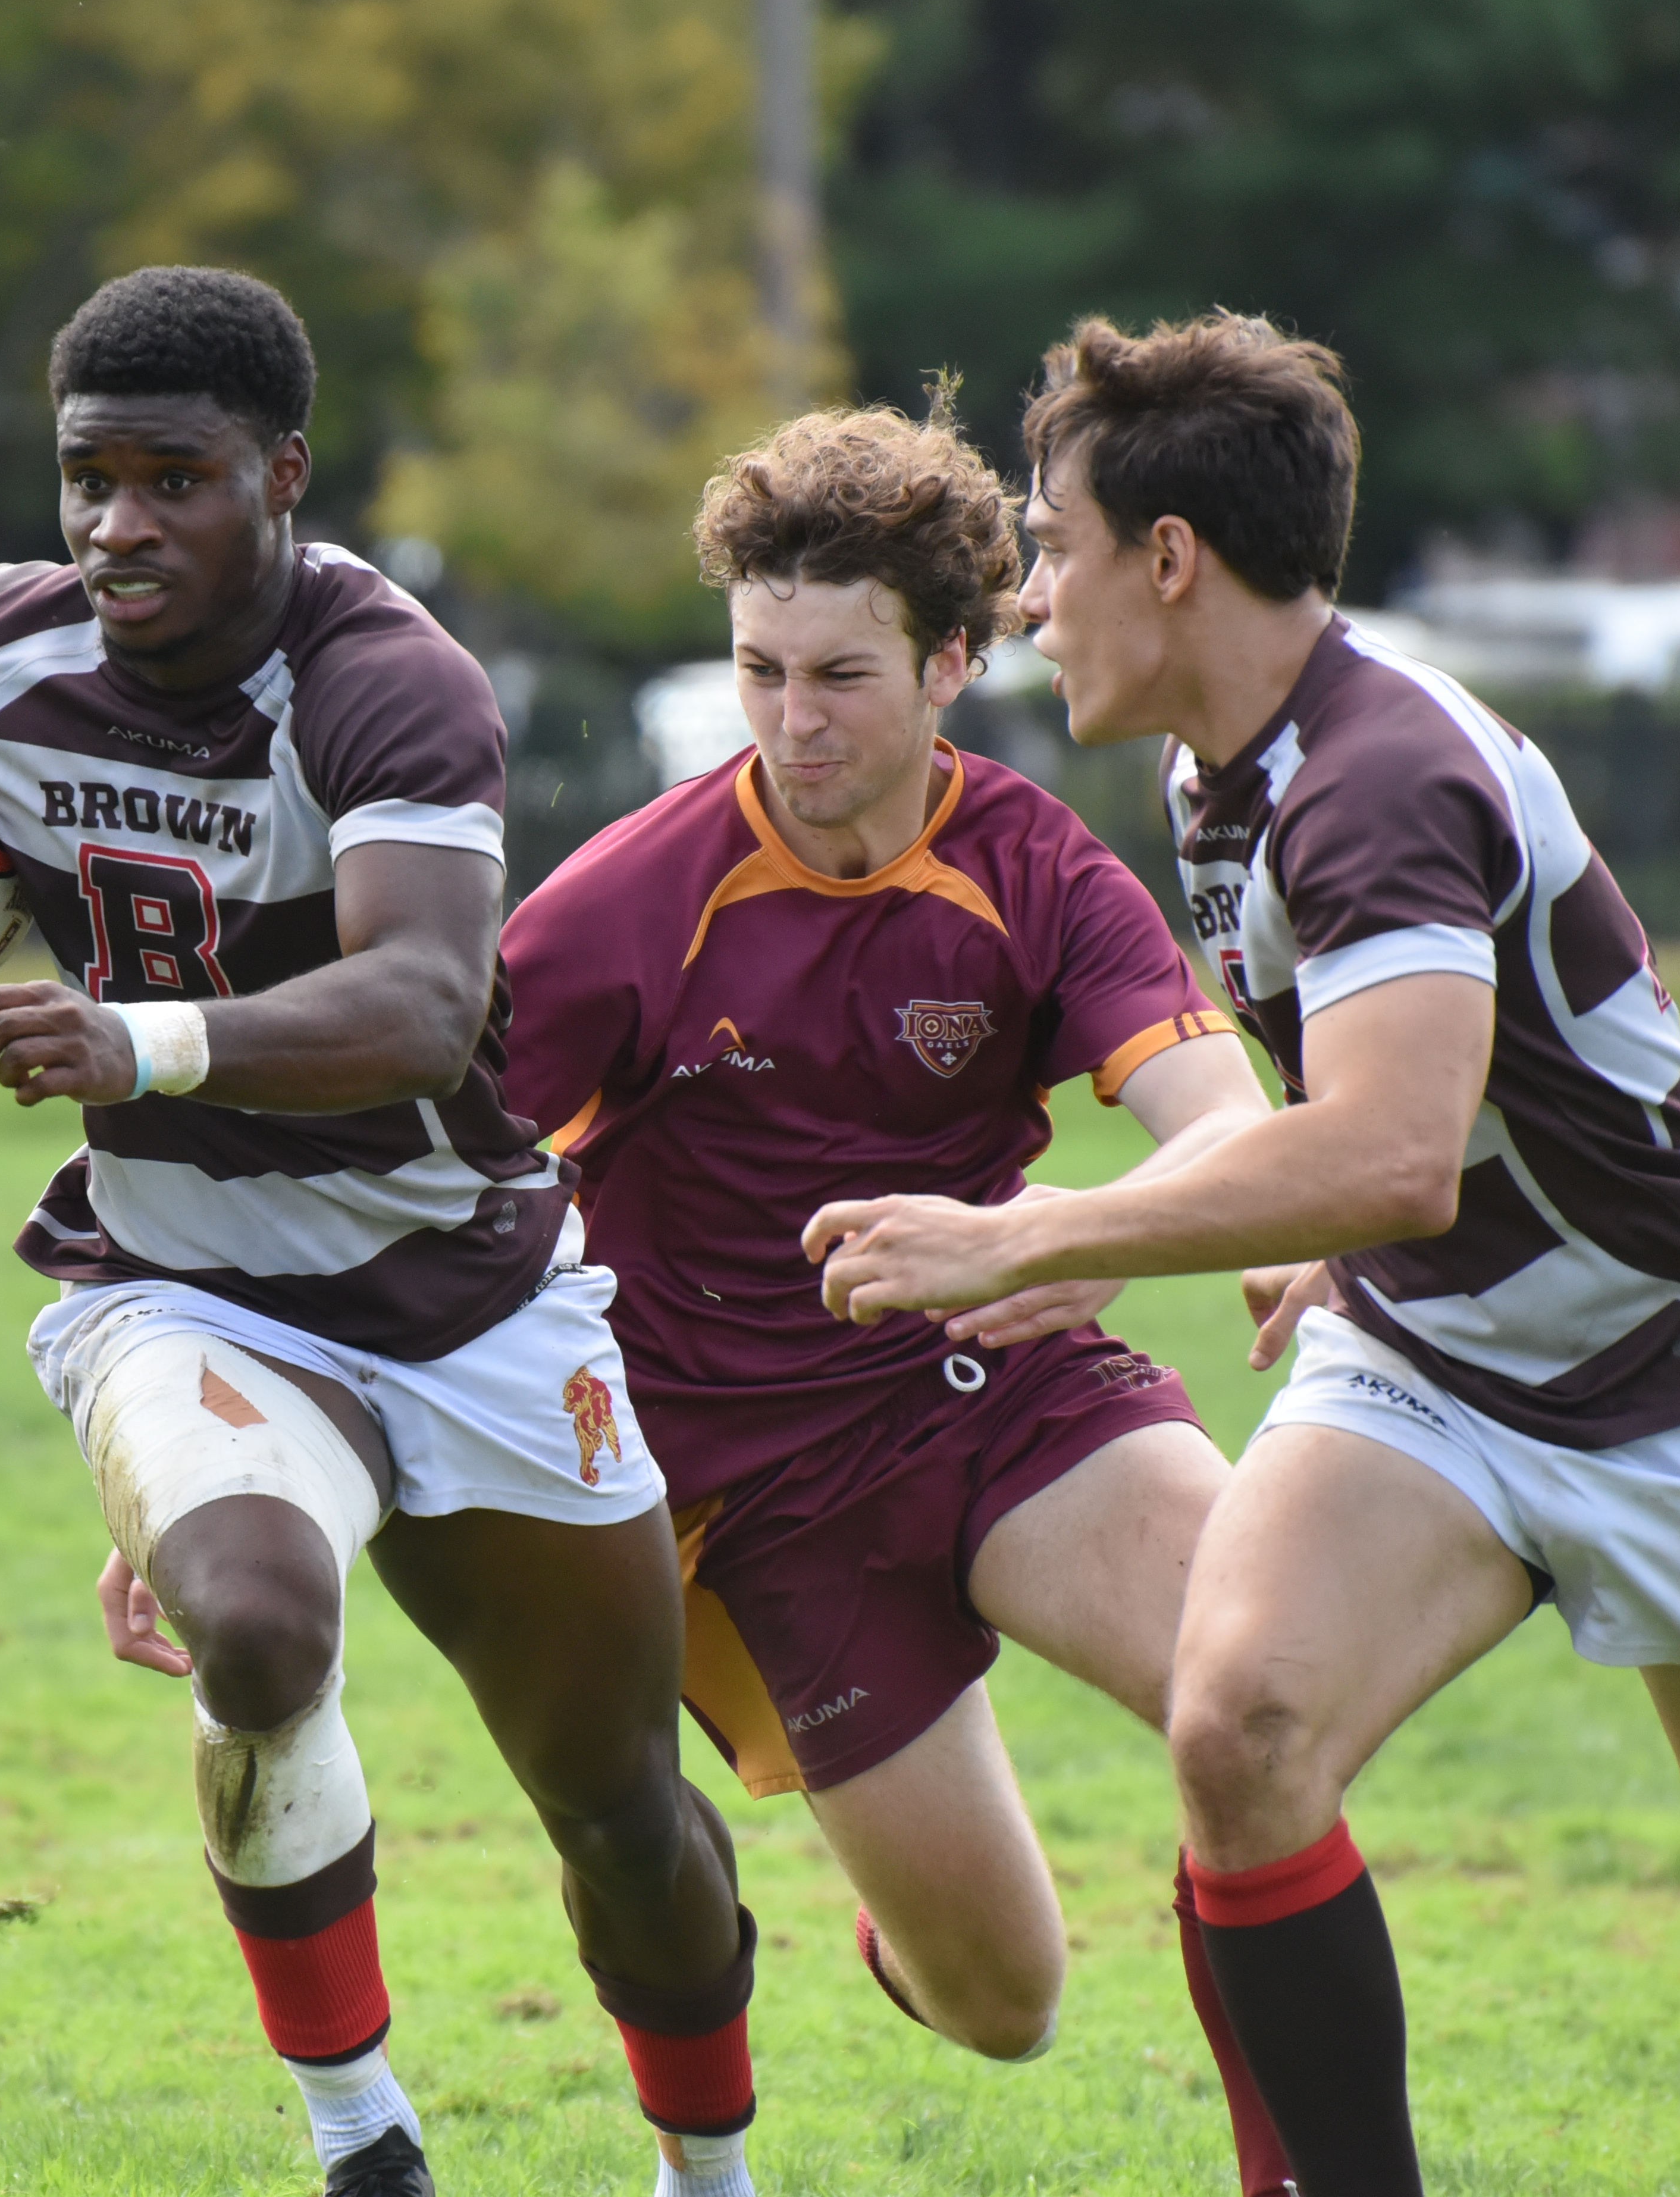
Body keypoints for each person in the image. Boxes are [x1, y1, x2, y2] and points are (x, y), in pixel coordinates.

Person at [0, 267, 757, 2197]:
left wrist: (131, 1034)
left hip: (469, 1296)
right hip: (180, 1281)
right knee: (261, 1632)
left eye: (170, 478)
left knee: (617, 1808)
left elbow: (425, 1004)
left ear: (280, 476)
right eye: (83, 478)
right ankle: (365, 2144)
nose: (116, 524)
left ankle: (708, 2170)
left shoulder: (388, 683)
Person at [806, 314, 1680, 2193]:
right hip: (1439, 1362)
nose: (1036, 602)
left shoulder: (1376, 774)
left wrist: (1049, 1232)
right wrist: (1312, 1233)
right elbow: (1388, 1134)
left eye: (1051, 547)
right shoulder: (1223, 766)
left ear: (1172, 558)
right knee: (1243, 1724)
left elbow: (1387, 1150)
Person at [488, 400, 1298, 2193]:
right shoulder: (625, 907)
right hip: (771, 1494)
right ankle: (909, 1919)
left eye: (841, 673)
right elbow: (422, 1183)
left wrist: (1175, 1229)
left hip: (1013, 1390)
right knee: (1005, 2005)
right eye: (760, 669)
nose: (793, 720)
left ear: (954, 660)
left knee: (1266, 1697)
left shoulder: (1034, 870)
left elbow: (1214, 1111)